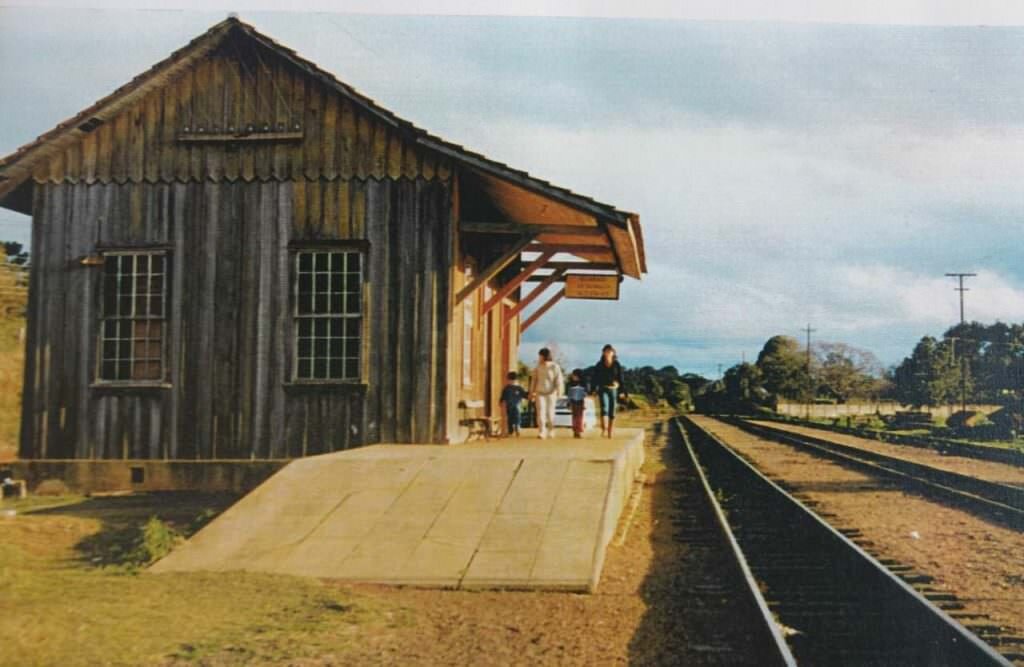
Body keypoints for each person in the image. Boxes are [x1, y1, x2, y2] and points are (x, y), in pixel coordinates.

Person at [529, 347, 564, 439]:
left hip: (551, 393)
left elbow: (558, 380)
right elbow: (534, 380)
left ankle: (551, 430)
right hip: (540, 392)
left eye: (540, 356)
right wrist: (531, 392)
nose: (539, 357)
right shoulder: (537, 367)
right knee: (540, 412)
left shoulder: (554, 366)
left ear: (544, 356)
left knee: (550, 413)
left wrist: (559, 391)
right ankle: (542, 431)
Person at [592, 344, 625, 438]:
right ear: (603, 353)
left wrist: (622, 391)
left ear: (613, 353)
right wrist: (593, 389)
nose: (608, 353)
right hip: (603, 388)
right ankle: (604, 429)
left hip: (613, 389)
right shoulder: (599, 364)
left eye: (610, 351)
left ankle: (610, 431)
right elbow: (595, 377)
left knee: (612, 411)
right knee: (604, 408)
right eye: (606, 351)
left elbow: (621, 378)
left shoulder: (616, 364)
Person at [499, 371, 528, 437]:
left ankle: (517, 428)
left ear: (516, 380)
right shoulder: (506, 388)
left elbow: (524, 395)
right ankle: (510, 430)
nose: (512, 382)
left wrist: (530, 396)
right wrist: (501, 402)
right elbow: (503, 396)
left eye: (513, 380)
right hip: (509, 405)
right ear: (508, 380)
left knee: (517, 416)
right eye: (510, 380)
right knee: (509, 418)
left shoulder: (519, 388)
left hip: (517, 405)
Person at [567, 368, 588, 438]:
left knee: (580, 417)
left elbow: (584, 395)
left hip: (580, 402)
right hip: (573, 402)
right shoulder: (570, 385)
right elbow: (569, 395)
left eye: (574, 375)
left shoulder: (583, 386)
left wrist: (585, 404)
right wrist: (569, 403)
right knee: (574, 417)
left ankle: (579, 430)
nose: (573, 377)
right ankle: (575, 430)